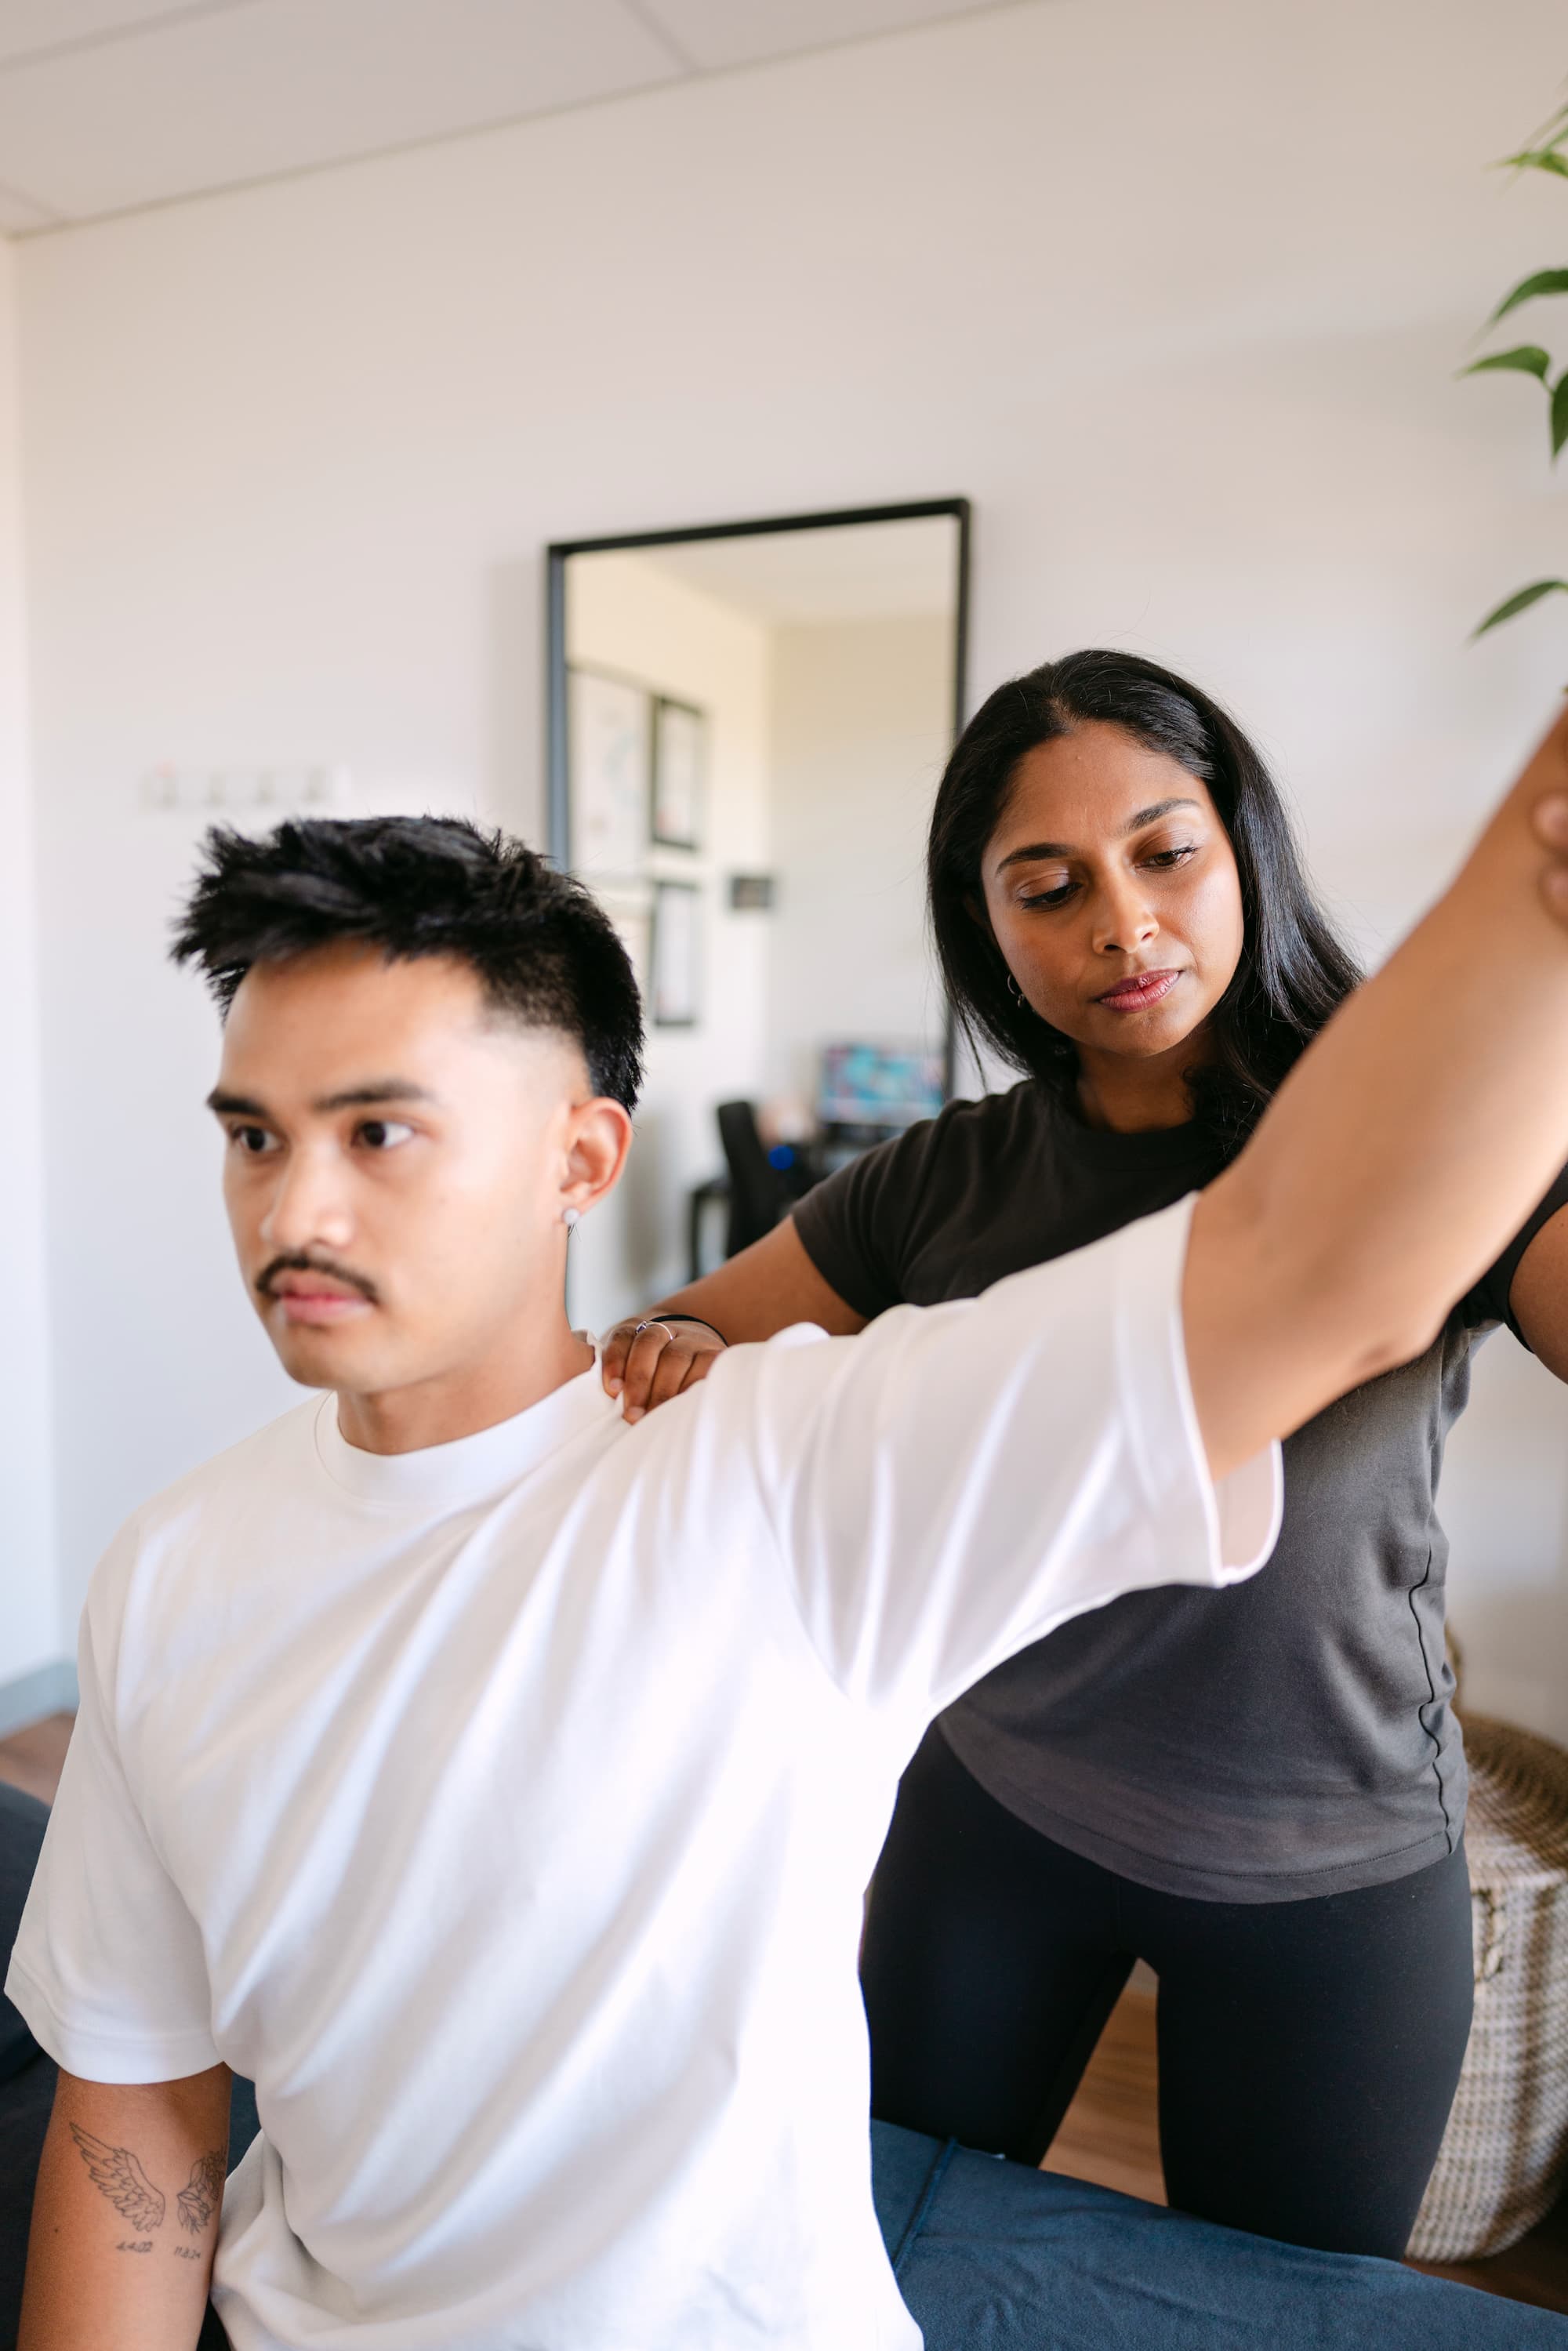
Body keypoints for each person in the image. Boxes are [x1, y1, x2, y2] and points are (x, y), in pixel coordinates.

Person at [9, 726, 1568, 2351]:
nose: (293, 1215)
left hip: (1308, 1843)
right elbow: (140, 2109)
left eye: (379, 1133)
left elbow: (1316, 1260)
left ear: (579, 1159)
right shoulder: (167, 1570)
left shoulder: (791, 1475)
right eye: (255, 1136)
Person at [603, 651, 1568, 2262]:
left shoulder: (1399, 1148)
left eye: (1164, 854)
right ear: (984, 925)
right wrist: (684, 1354)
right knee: (883, 2241)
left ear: (1242, 848)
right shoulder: (940, 1180)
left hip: (1327, 1859)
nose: (1122, 924)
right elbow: (679, 1332)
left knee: (1279, 2315)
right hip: (998, 1812)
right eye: (1047, 889)